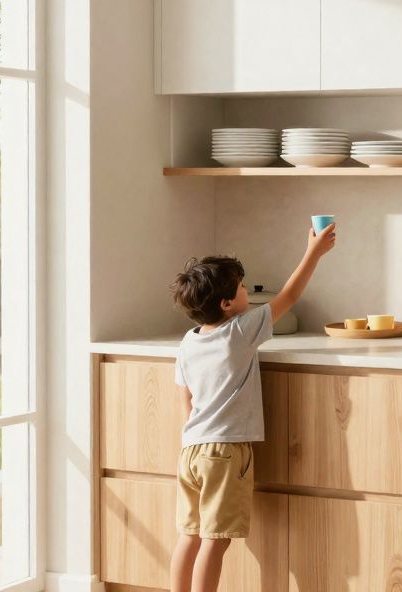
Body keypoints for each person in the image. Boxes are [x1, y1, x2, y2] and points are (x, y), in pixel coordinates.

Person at [166, 224, 336, 592]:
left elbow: (186, 398)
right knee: (216, 538)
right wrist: (314, 253)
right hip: (225, 451)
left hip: (191, 449)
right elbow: (289, 296)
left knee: (190, 534)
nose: (248, 292)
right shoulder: (240, 331)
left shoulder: (188, 341)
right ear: (227, 303)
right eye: (243, 288)